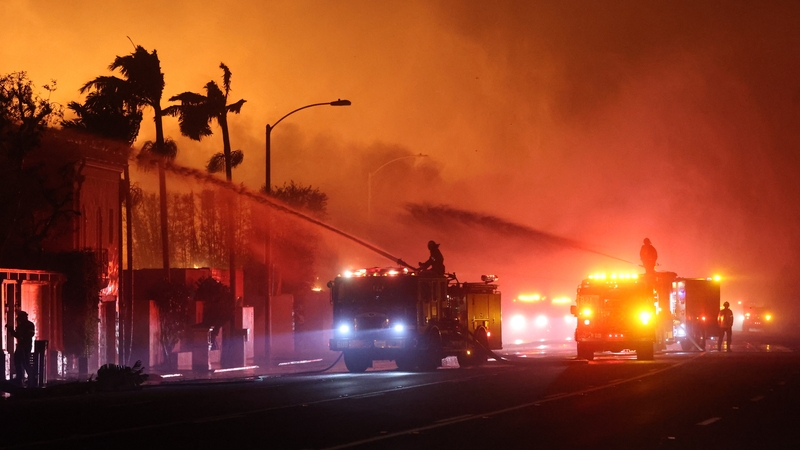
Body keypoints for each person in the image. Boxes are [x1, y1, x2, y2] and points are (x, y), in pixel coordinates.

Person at [8, 310, 35, 387]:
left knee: (26, 362)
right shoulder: (20, 326)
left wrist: (22, 336)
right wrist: (12, 331)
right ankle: (19, 378)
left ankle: (31, 379)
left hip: (26, 346)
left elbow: (30, 334)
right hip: (20, 346)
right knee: (17, 361)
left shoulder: (30, 325)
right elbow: (18, 336)